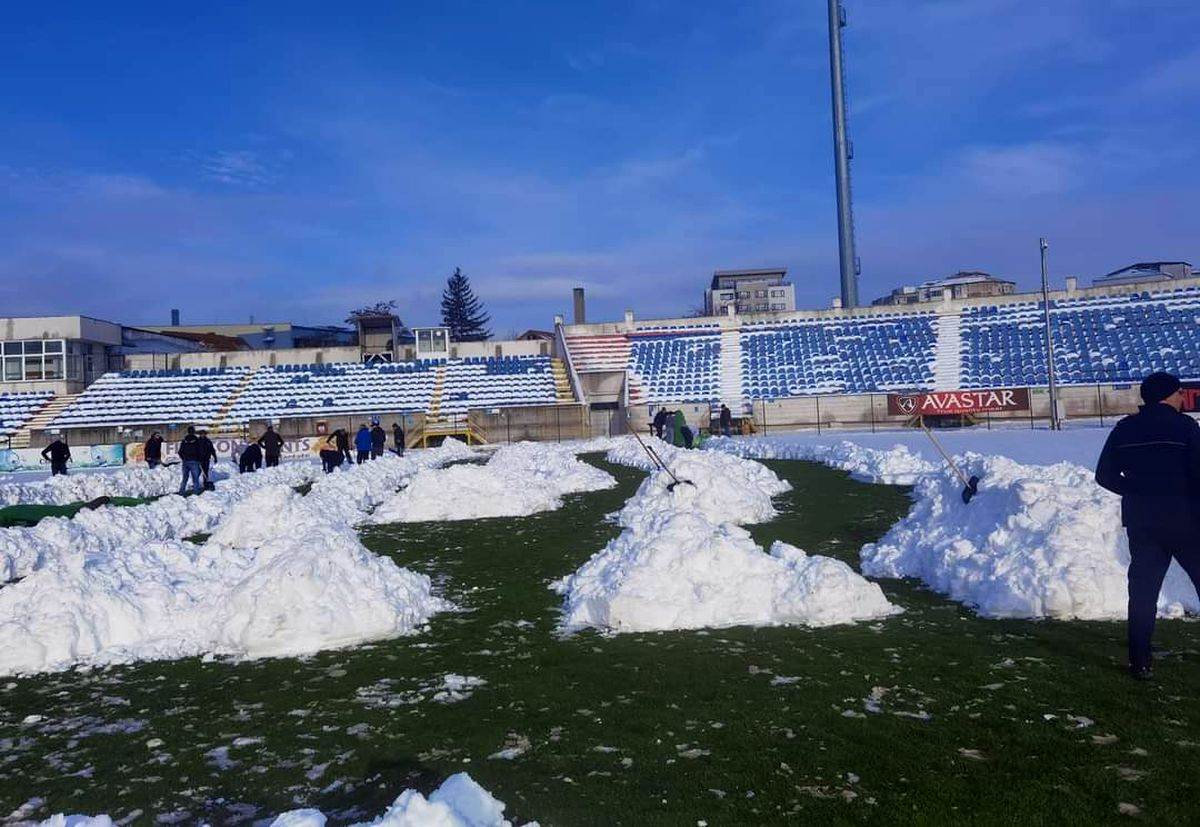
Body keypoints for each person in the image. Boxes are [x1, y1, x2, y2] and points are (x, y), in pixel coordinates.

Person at [1095, 372, 1200, 681]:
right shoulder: (1186, 428)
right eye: (1180, 393)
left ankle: (1140, 661)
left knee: (1142, 593)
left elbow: (1104, 475)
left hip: (1142, 522)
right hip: (1186, 521)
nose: (1183, 398)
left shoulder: (1125, 429)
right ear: (1169, 395)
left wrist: (1134, 491)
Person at [177, 426, 204, 495]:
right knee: (195, 478)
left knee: (185, 478)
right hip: (194, 461)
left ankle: (181, 491)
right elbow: (200, 451)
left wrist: (184, 458)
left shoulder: (184, 441)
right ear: (194, 432)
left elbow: (180, 452)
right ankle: (196, 492)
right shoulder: (197, 441)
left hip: (185, 461)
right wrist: (200, 459)